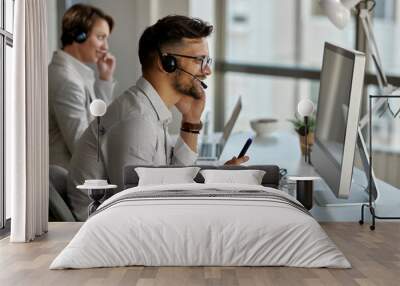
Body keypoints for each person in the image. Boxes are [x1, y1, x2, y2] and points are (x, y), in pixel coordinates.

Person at [67, 15, 249, 221]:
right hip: (109, 237)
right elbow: (141, 208)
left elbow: (170, 185)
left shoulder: (149, 110)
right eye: (200, 60)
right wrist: (212, 190)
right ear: (166, 63)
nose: (207, 71)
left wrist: (190, 121)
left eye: (207, 61)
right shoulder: (137, 122)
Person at [48, 4, 117, 169]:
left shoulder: (75, 75)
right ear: (78, 36)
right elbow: (82, 147)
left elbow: (97, 125)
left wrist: (105, 78)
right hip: (69, 182)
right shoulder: (67, 80)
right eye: (100, 37)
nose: (106, 47)